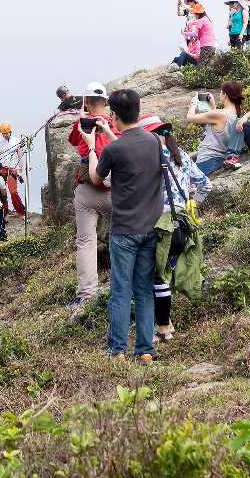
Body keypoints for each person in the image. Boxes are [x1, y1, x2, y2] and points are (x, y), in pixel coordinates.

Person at [80, 89, 164, 364]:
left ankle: (117, 351)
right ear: (138, 111)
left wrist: (92, 144)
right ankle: (145, 351)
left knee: (120, 291)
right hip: (151, 228)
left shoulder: (113, 149)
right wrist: (109, 132)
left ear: (113, 114)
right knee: (143, 290)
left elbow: (96, 177)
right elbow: (132, 150)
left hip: (124, 230)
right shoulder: (154, 141)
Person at [141, 117, 211, 343]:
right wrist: (193, 204)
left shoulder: (147, 156)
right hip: (181, 224)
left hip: (158, 224)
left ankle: (163, 329)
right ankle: (165, 322)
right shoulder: (180, 154)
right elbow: (206, 184)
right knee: (163, 275)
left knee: (158, 277)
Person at [67, 82, 121, 308]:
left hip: (88, 190)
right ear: (107, 102)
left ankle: (86, 295)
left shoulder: (81, 124)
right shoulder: (114, 125)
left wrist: (82, 117)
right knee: (122, 239)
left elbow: (73, 141)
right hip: (115, 193)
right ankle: (122, 289)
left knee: (86, 242)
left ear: (86, 101)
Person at [187, 81, 245, 175]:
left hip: (208, 160)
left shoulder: (220, 113)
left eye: (221, 92)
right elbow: (218, 126)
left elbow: (190, 118)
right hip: (218, 159)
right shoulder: (235, 116)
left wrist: (194, 103)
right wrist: (213, 106)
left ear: (225, 95)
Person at [0, 122, 26, 217]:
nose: (4, 135)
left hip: (12, 169)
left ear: (10, 132)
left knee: (13, 192)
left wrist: (20, 171)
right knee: (1, 191)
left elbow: (20, 157)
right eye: (3, 134)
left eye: (6, 133)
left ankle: (21, 211)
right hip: (1, 168)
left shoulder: (17, 141)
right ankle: (4, 212)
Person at [185, 4, 216, 68]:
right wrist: (188, 32)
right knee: (208, 66)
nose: (195, 16)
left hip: (206, 46)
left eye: (195, 14)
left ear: (198, 14)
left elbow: (193, 34)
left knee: (200, 66)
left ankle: (197, 77)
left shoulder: (201, 21)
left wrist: (184, 33)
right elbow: (199, 37)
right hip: (212, 46)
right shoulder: (208, 20)